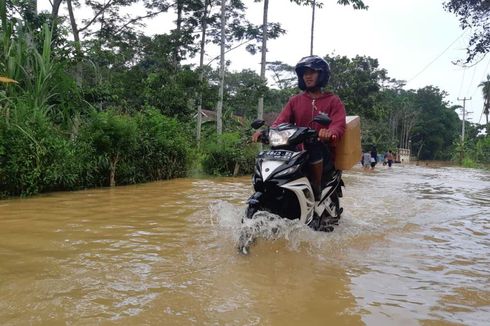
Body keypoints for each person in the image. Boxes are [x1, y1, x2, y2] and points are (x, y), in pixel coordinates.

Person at [252, 55, 346, 201]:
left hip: (323, 153)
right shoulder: (295, 100)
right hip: (297, 153)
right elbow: (280, 122)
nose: (307, 76)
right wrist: (266, 132)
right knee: (277, 147)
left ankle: (316, 187)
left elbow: (338, 124)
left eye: (312, 72)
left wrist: (330, 133)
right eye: (304, 73)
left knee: (312, 142)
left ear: (322, 75)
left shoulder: (333, 100)